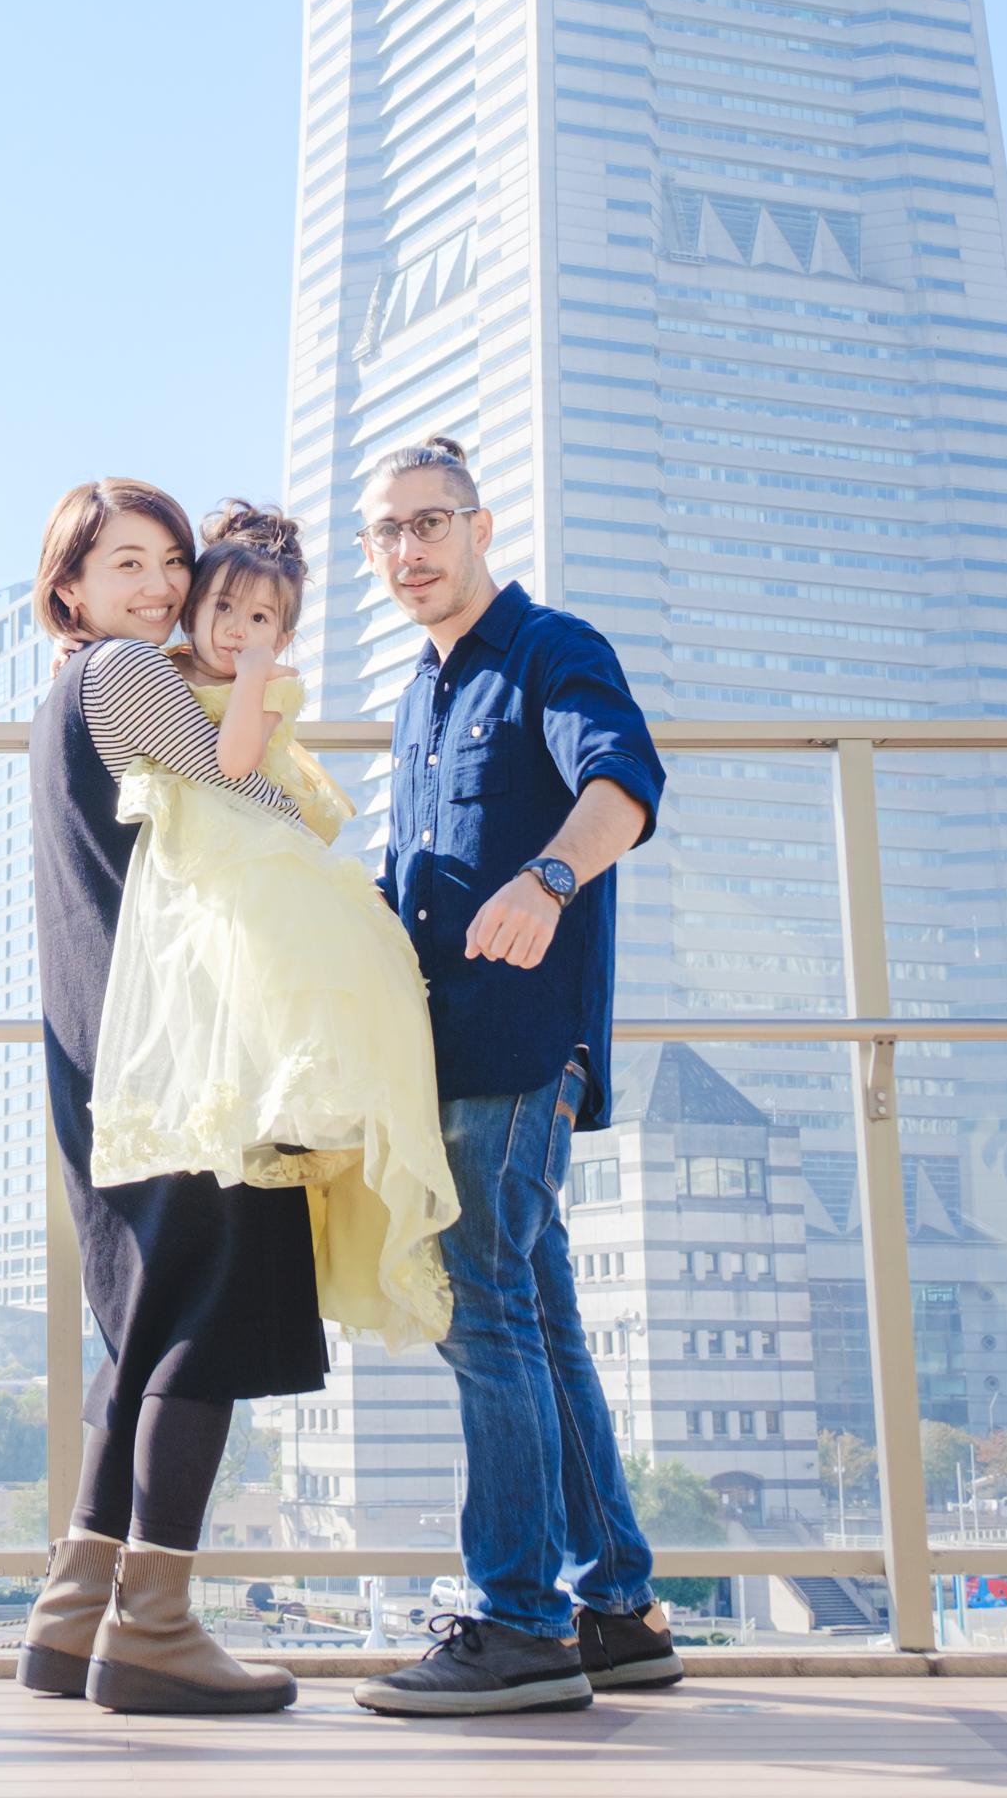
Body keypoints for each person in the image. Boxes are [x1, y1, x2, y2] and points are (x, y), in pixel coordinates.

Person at [349, 435, 682, 1719]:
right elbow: (411, 882)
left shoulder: (552, 648)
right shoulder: (418, 698)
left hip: (522, 1044)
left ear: (481, 528)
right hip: (443, 1050)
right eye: (388, 533)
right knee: (538, 1323)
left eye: (431, 523)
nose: (410, 551)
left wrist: (549, 879)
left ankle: (518, 1622)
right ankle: (616, 1610)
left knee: (484, 1316)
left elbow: (624, 784)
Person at [11, 477, 321, 1716]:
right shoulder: (125, 673)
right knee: (210, 1321)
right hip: (182, 1060)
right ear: (70, 588)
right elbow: (242, 799)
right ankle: (155, 1630)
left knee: (146, 1331)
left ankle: (71, 1616)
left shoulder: (62, 702)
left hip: (109, 1056)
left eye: (171, 562)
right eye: (125, 564)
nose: (157, 587)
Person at [87, 501, 459, 1353]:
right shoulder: (152, 667)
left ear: (284, 636)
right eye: (223, 608)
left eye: (262, 620)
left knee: (294, 975)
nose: (238, 629)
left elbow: (232, 761)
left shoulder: (263, 683)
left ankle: (303, 1107)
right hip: (211, 865)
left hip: (251, 857)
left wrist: (253, 675)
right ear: (194, 606)